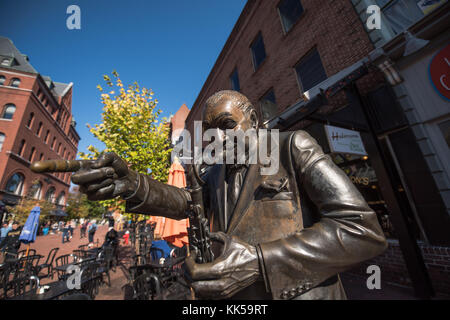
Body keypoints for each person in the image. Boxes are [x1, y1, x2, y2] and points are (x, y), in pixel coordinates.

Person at [64, 90, 388, 300]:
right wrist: (135, 185)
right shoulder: (215, 172)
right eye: (210, 131)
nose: (217, 137)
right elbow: (187, 204)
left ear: (255, 121)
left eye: (227, 125)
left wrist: (260, 263)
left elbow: (361, 230)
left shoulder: (291, 146)